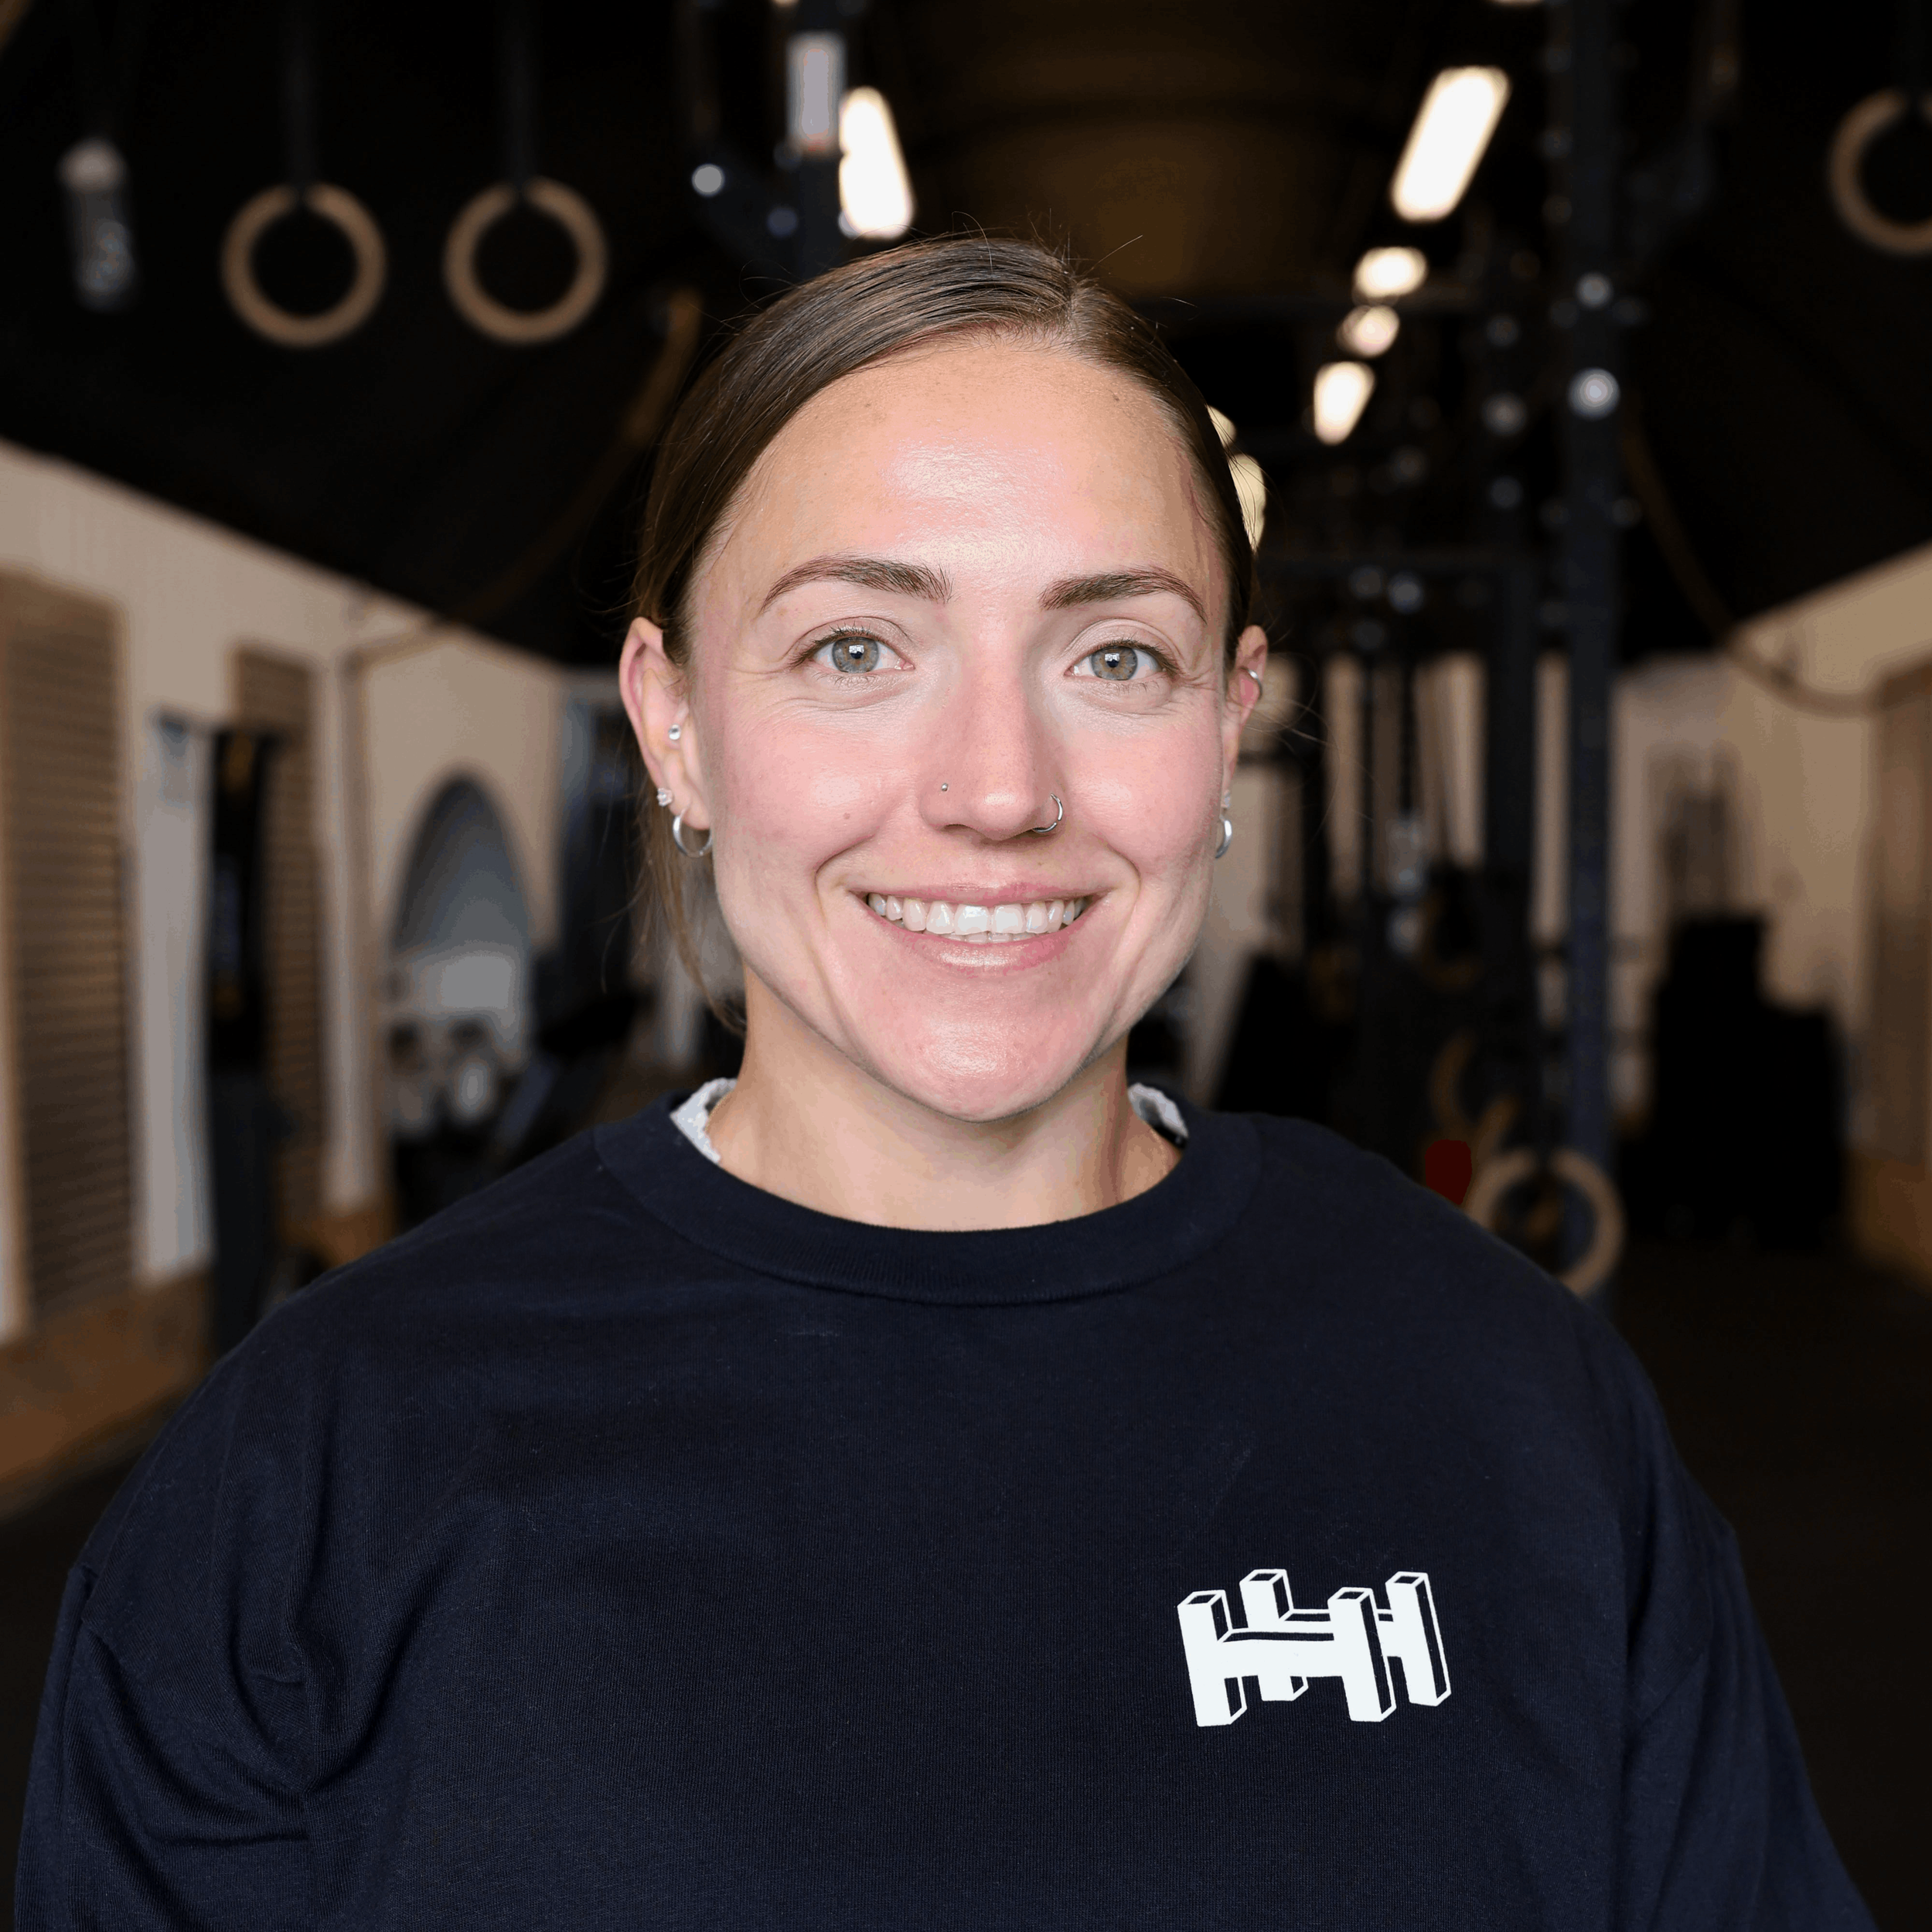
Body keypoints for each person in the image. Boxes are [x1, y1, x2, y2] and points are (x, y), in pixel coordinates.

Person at [19, 237, 1871, 1930]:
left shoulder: (1508, 1385)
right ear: (674, 722)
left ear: (1229, 719)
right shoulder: (320, 1474)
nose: (998, 786)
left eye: (1114, 654)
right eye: (855, 647)